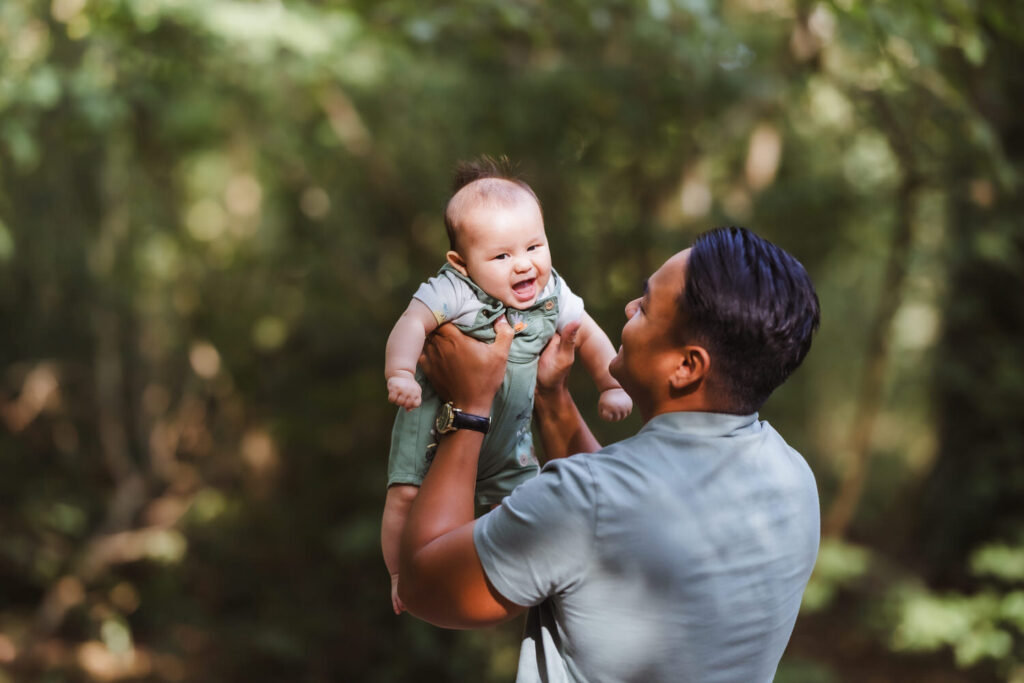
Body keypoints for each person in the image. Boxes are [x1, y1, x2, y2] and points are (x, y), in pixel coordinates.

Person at [399, 226, 822, 682]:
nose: (628, 308)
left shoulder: (583, 500)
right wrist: (550, 395)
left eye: (646, 305)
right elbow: (617, 520)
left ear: (686, 367)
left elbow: (423, 584)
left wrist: (470, 406)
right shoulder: (793, 475)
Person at [381, 157, 633, 614]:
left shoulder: (553, 292)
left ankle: (531, 579)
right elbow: (410, 324)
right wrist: (399, 373)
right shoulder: (452, 291)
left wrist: (608, 383)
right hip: (436, 430)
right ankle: (401, 572)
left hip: (510, 439)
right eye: (501, 256)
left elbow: (589, 333)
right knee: (404, 495)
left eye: (534, 247)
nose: (524, 266)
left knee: (529, 498)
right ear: (461, 262)